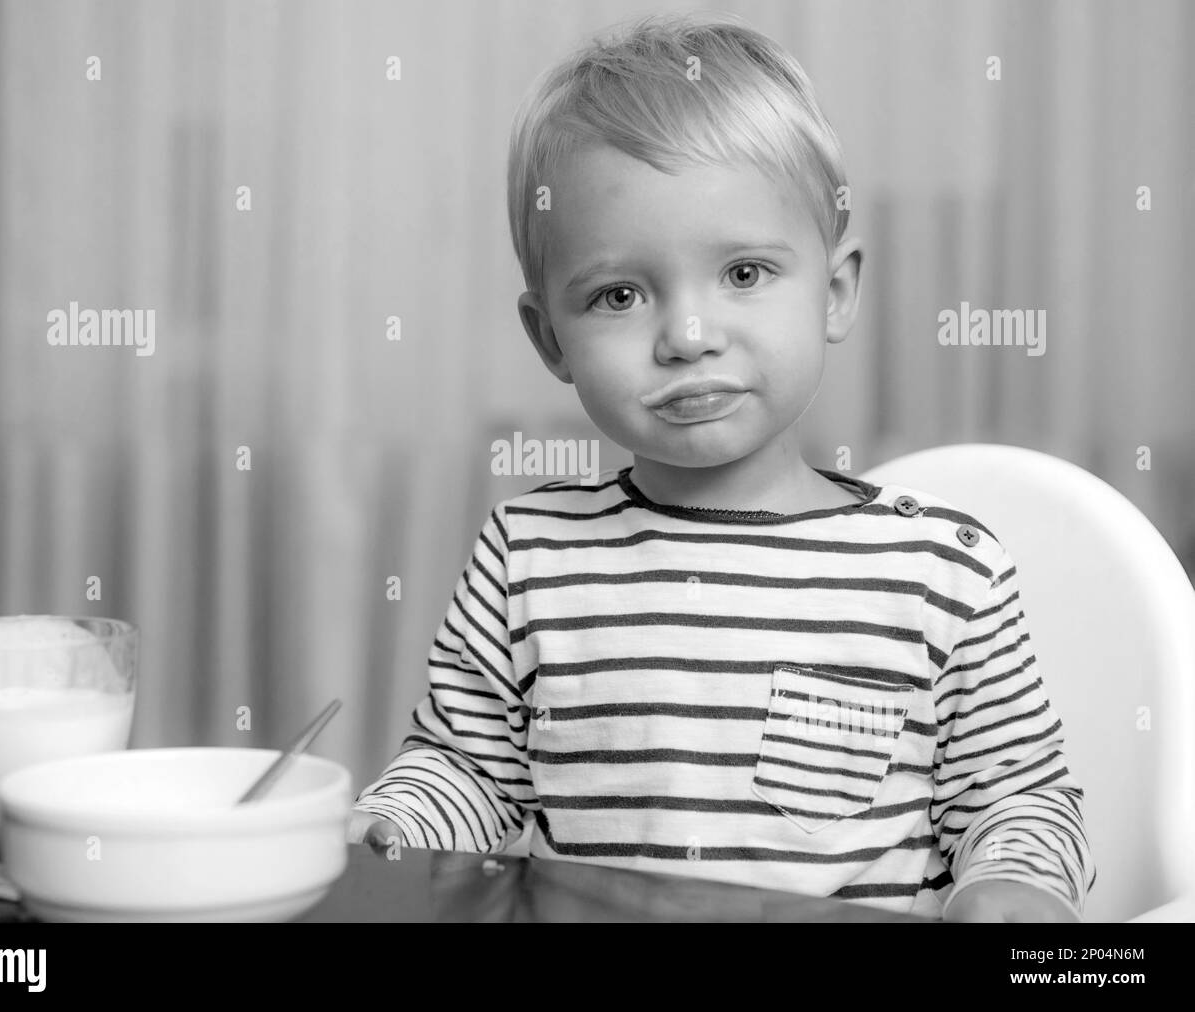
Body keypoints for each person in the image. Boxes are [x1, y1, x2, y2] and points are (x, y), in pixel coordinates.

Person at [348, 11, 1094, 922]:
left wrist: (1010, 880)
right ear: (550, 338)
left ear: (835, 291)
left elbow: (1020, 797)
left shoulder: (941, 572)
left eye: (743, 274)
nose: (688, 338)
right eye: (619, 294)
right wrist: (391, 826)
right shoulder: (528, 555)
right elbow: (466, 771)